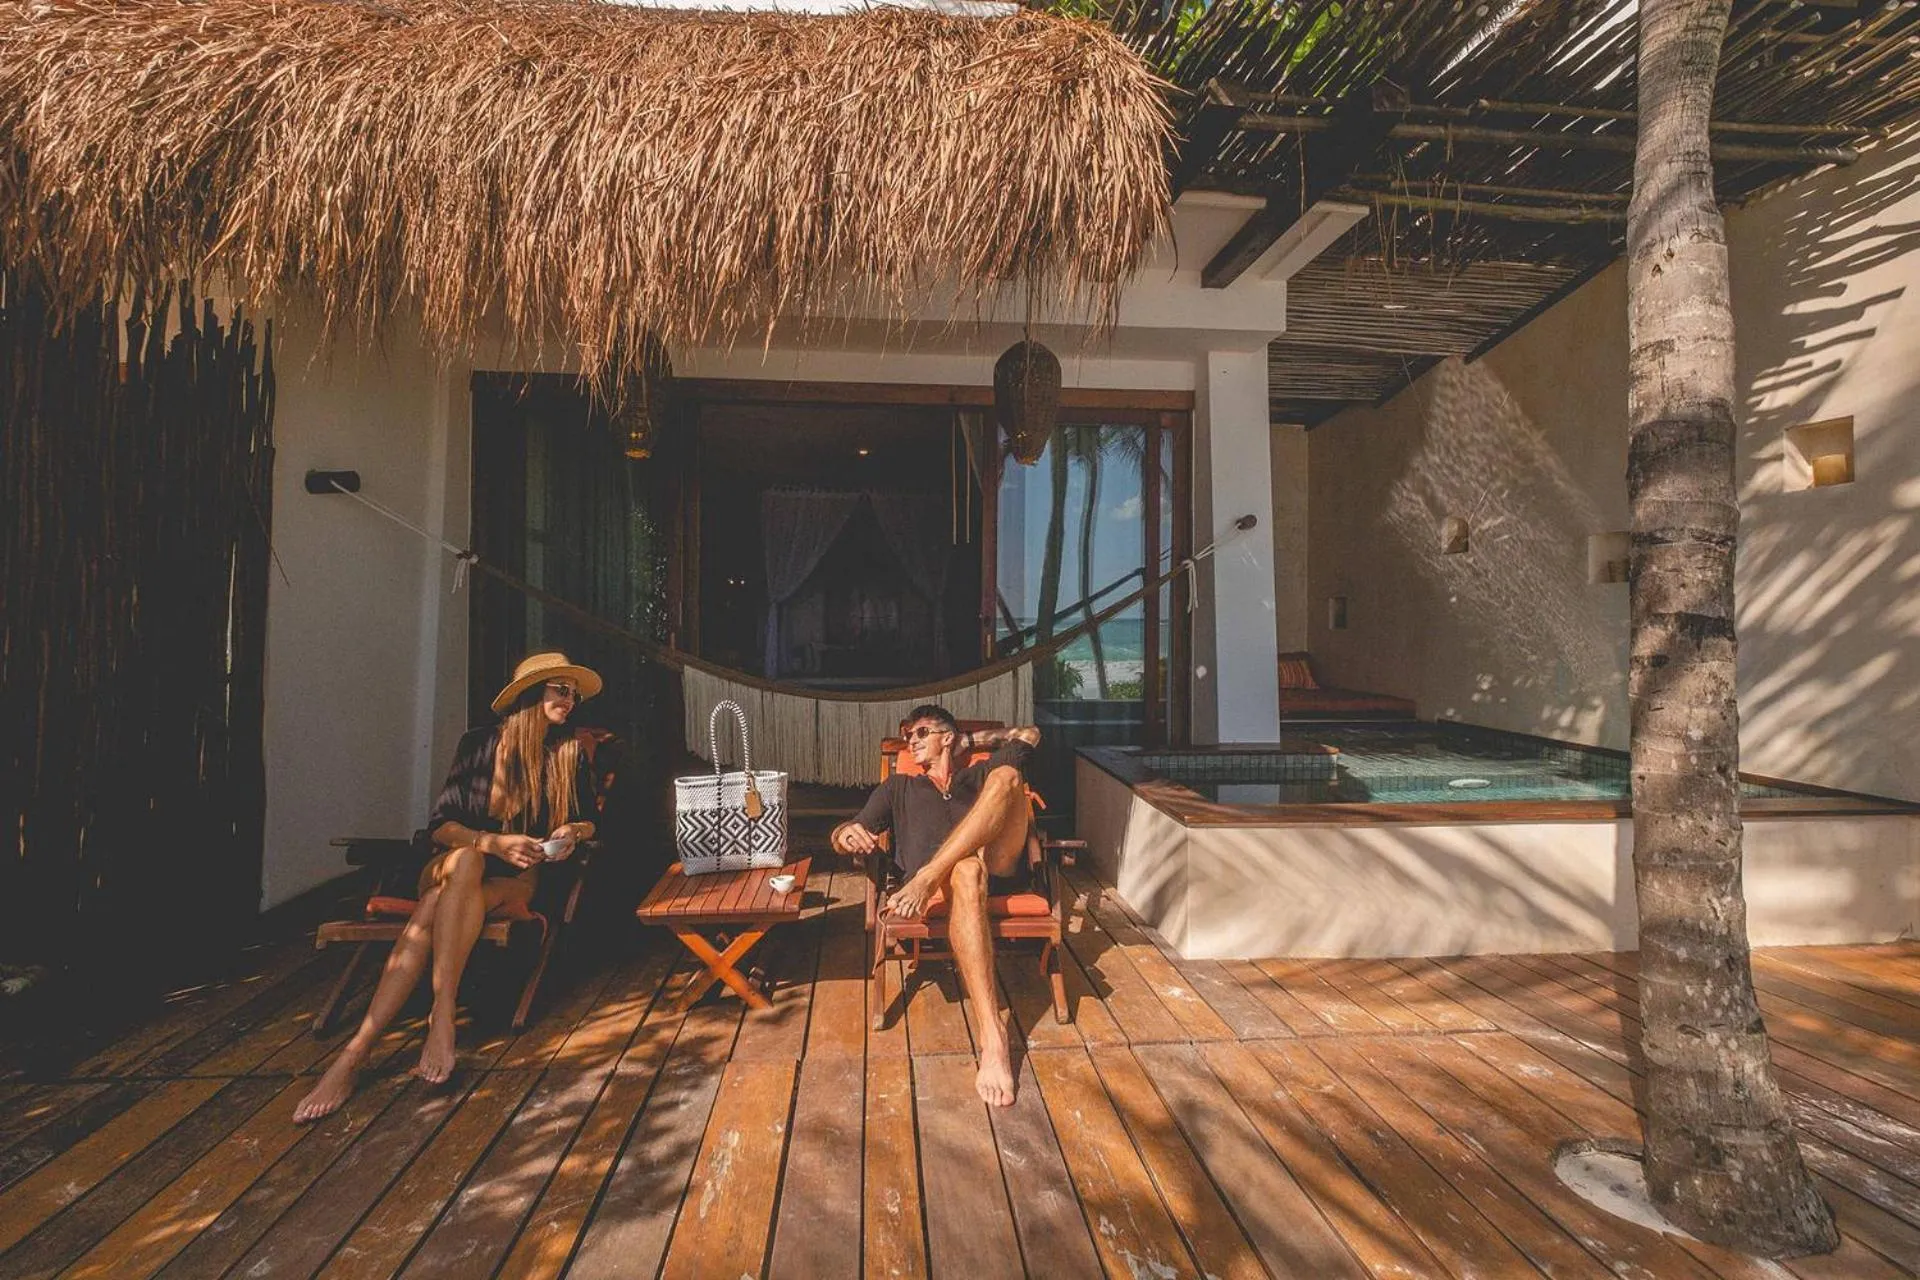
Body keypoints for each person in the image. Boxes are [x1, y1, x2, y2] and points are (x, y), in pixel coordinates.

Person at [294, 652, 603, 1123]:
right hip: (451, 863)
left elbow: (589, 820)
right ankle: (444, 1012)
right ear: (529, 694)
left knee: (434, 907)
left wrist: (571, 832)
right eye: (561, 689)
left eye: (574, 693)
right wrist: (491, 843)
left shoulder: (567, 754)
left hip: (514, 882)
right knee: (466, 862)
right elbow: (441, 826)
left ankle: (353, 1056)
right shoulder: (478, 745)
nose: (570, 699)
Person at [831, 705, 1040, 1107]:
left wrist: (969, 741)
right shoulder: (899, 788)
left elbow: (1030, 734)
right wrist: (845, 834)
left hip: (995, 865)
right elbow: (845, 832)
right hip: (954, 885)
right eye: (907, 734)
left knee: (1007, 775)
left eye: (922, 732)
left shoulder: (977, 774)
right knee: (965, 870)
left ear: (947, 738)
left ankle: (930, 874)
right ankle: (993, 1038)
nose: (911, 740)